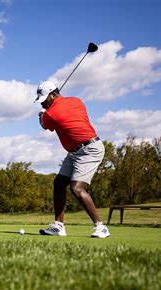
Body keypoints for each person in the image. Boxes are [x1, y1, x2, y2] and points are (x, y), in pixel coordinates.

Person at [35, 81, 110, 238]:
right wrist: (49, 108)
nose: (43, 102)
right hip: (75, 152)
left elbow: (44, 124)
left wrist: (42, 114)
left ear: (54, 94)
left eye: (44, 99)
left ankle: (100, 227)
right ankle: (58, 226)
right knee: (59, 183)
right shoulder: (76, 101)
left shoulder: (50, 114)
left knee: (76, 188)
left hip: (89, 150)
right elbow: (66, 111)